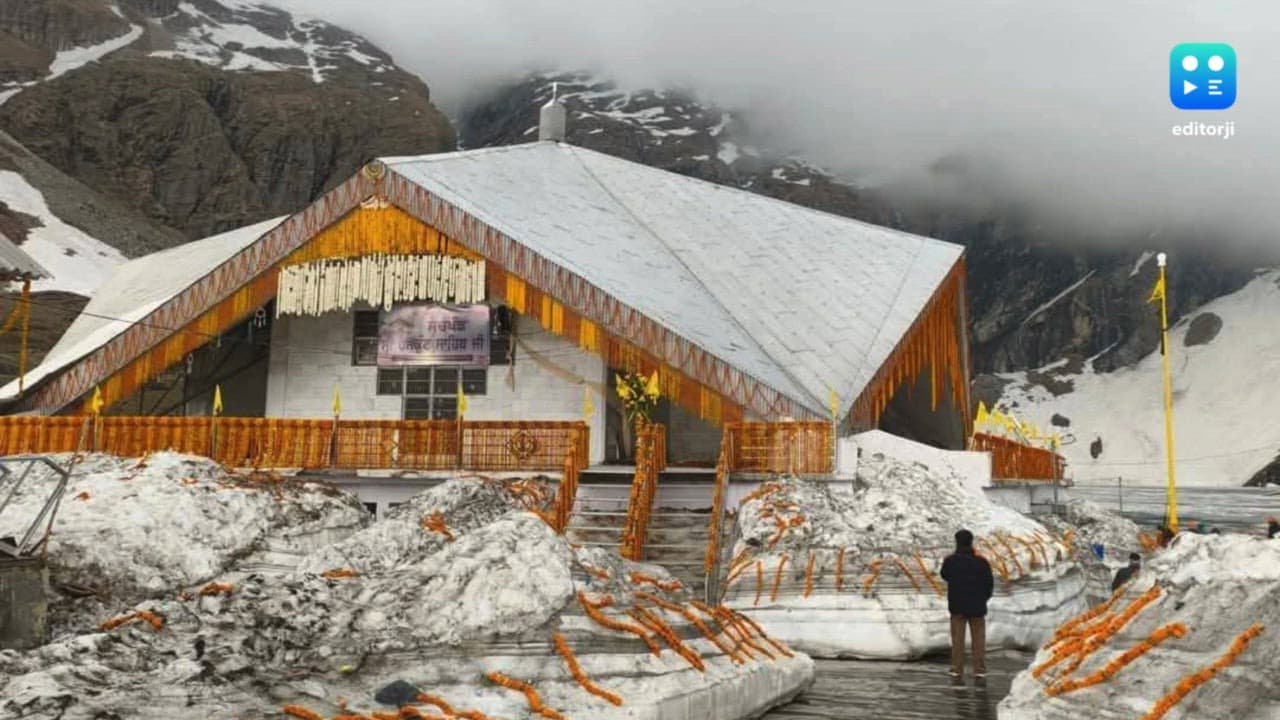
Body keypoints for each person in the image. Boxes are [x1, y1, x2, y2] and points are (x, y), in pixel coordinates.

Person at [940, 529, 994, 680]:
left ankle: (957, 669)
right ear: (971, 541)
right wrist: (983, 598)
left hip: (957, 606)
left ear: (956, 542)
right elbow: (989, 583)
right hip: (977, 607)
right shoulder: (982, 562)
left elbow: (944, 575)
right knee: (978, 641)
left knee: (958, 640)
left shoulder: (950, 561)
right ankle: (979, 669)